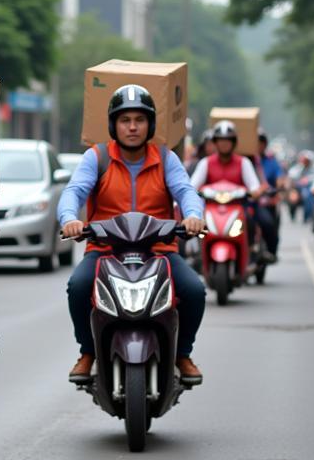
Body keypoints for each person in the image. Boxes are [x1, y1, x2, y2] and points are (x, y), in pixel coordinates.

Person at [59, 84, 206, 385]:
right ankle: (88, 352)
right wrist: (69, 218)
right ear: (114, 124)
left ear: (150, 124)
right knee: (78, 286)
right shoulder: (96, 157)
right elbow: (74, 191)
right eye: (125, 120)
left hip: (160, 250)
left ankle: (182, 354)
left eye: (140, 119)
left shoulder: (166, 158)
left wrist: (194, 216)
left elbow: (186, 191)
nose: (133, 127)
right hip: (104, 250)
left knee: (194, 291)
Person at [189, 121, 271, 257]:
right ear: (215, 142)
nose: (224, 144)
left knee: (264, 222)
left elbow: (254, 186)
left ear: (233, 142)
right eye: (220, 140)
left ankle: (253, 250)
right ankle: (196, 253)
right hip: (211, 210)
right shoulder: (206, 163)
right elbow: (192, 186)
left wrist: (255, 192)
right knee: (193, 228)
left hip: (239, 209)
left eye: (227, 140)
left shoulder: (244, 162)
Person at [255, 130, 285, 260]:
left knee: (269, 224)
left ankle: (271, 250)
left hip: (267, 201)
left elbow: (279, 177)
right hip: (248, 202)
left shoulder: (271, 161)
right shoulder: (245, 160)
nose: (258, 145)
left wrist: (277, 187)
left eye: (261, 143)